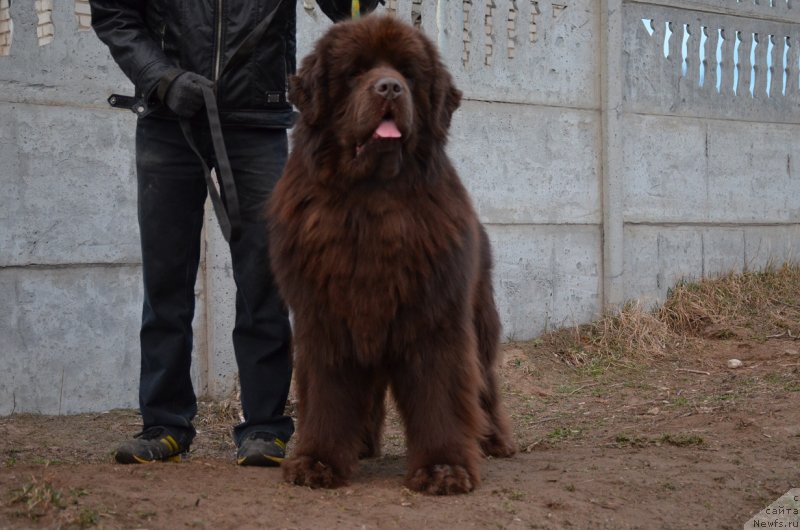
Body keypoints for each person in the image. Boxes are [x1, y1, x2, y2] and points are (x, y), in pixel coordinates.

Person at [89, 0, 382, 466]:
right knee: (165, 280)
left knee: (265, 278)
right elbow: (114, 13)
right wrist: (163, 78)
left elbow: (350, 9)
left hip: (257, 119)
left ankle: (265, 427)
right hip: (168, 118)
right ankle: (165, 424)